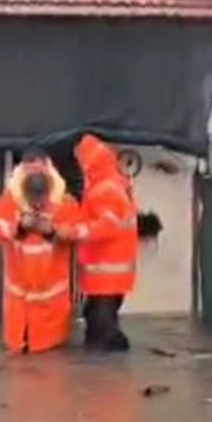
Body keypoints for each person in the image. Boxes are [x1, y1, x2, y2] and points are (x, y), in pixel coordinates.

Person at [0, 151, 82, 355]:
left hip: (52, 300)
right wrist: (19, 226)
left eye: (41, 198)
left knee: (50, 361)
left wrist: (53, 232)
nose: (38, 205)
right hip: (19, 299)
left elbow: (77, 232)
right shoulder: (9, 200)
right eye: (33, 199)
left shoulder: (65, 202)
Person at [73, 134, 139, 351]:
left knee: (101, 322)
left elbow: (106, 226)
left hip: (107, 271)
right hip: (110, 270)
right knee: (95, 316)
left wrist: (74, 232)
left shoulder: (104, 190)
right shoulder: (114, 184)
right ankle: (102, 356)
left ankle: (111, 360)